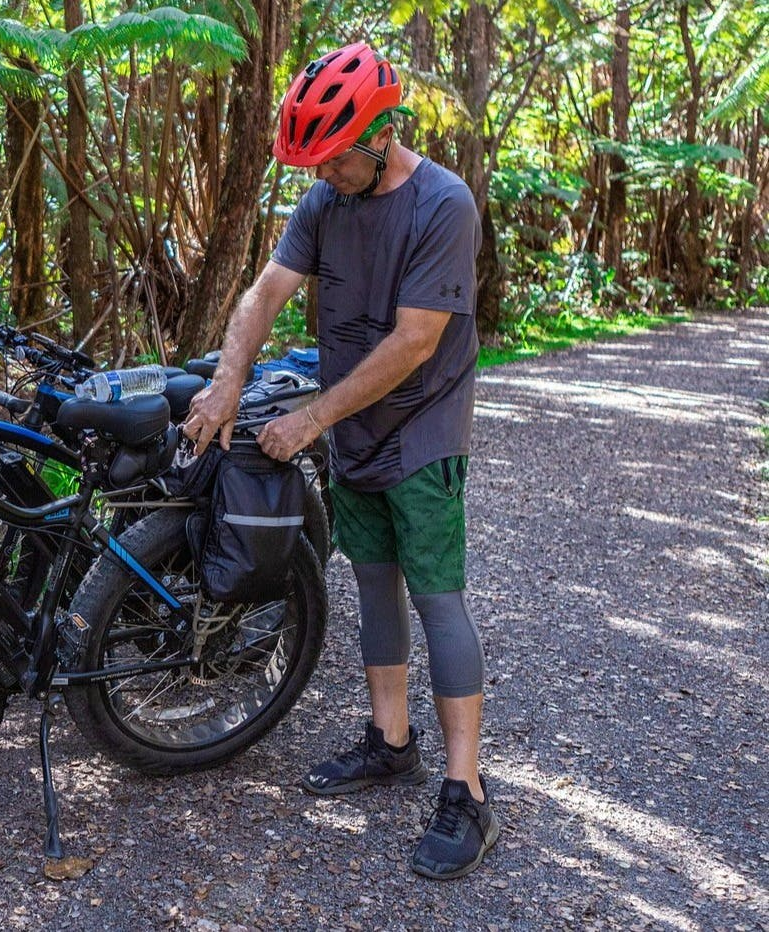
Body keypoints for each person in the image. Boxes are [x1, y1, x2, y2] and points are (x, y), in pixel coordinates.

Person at [181, 41, 498, 880]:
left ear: (382, 133)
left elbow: (415, 340)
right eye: (313, 162)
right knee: (371, 584)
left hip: (423, 430)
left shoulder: (444, 204)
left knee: (436, 599)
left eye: (334, 158)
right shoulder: (324, 203)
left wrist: (313, 417)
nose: (322, 174)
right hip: (352, 428)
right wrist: (226, 380)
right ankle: (390, 743)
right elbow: (266, 292)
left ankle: (467, 793)